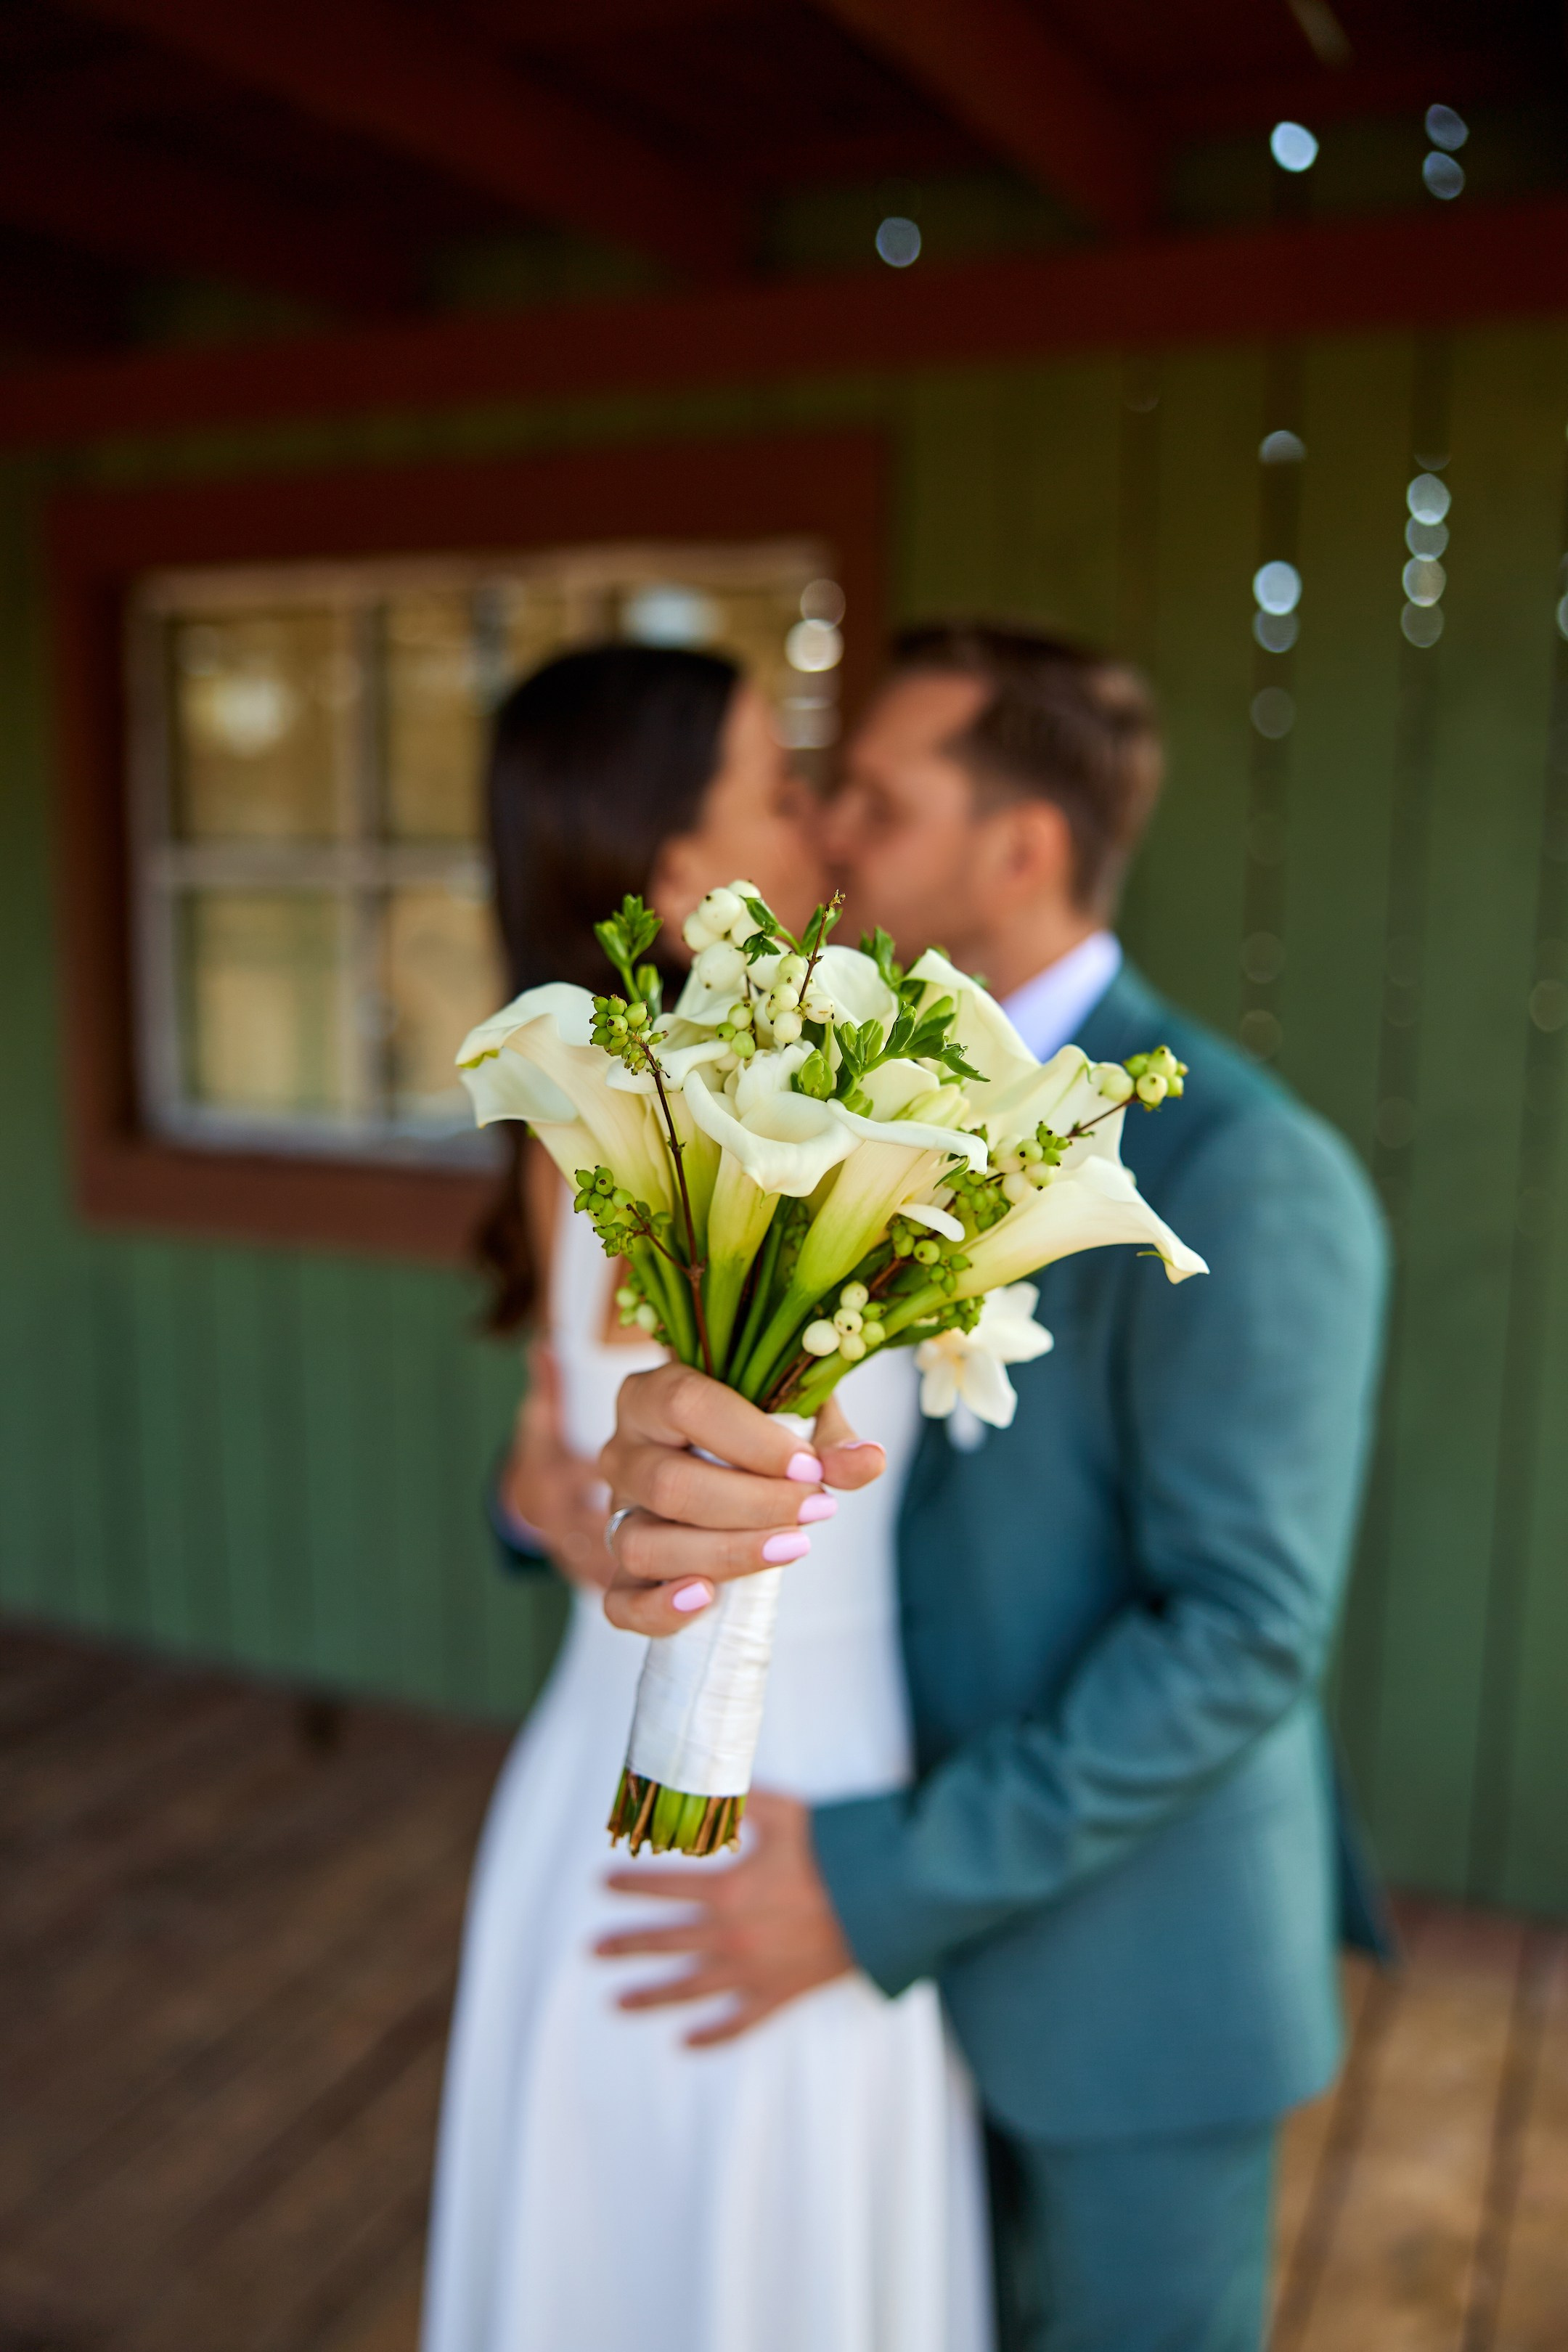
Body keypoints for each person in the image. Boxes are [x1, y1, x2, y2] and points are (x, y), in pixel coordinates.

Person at [595, 624, 1390, 2352]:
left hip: (1123, 1982)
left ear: (1019, 848)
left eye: (878, 802)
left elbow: (1243, 1635)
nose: (829, 832)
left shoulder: (1247, 1169)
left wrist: (877, 1880)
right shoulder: (806, 1105)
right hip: (861, 2011)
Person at [421, 642, 994, 2352]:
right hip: (739, 1798)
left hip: (700, 1785)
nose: (820, 822)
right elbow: (613, 1446)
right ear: (685, 878)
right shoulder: (718, 1131)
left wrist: (549, 1494)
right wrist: (580, 1499)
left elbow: (561, 1446)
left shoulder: (590, 1123)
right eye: (781, 787)